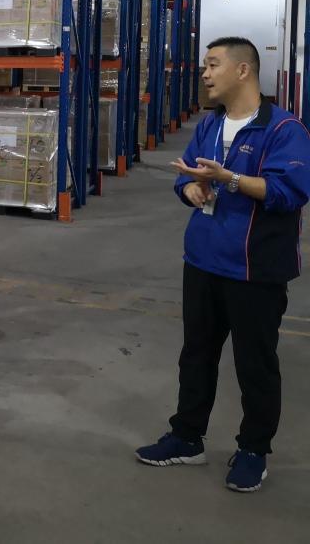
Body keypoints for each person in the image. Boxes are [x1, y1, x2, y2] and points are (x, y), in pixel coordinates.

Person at [135, 37, 310, 493]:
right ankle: (187, 436)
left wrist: (229, 178)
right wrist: (189, 188)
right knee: (196, 355)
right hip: (203, 261)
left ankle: (253, 450)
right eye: (205, 66)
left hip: (254, 269)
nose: (205, 74)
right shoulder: (210, 124)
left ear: (243, 70)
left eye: (213, 65)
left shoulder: (284, 129)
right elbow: (186, 174)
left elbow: (288, 192)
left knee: (256, 364)